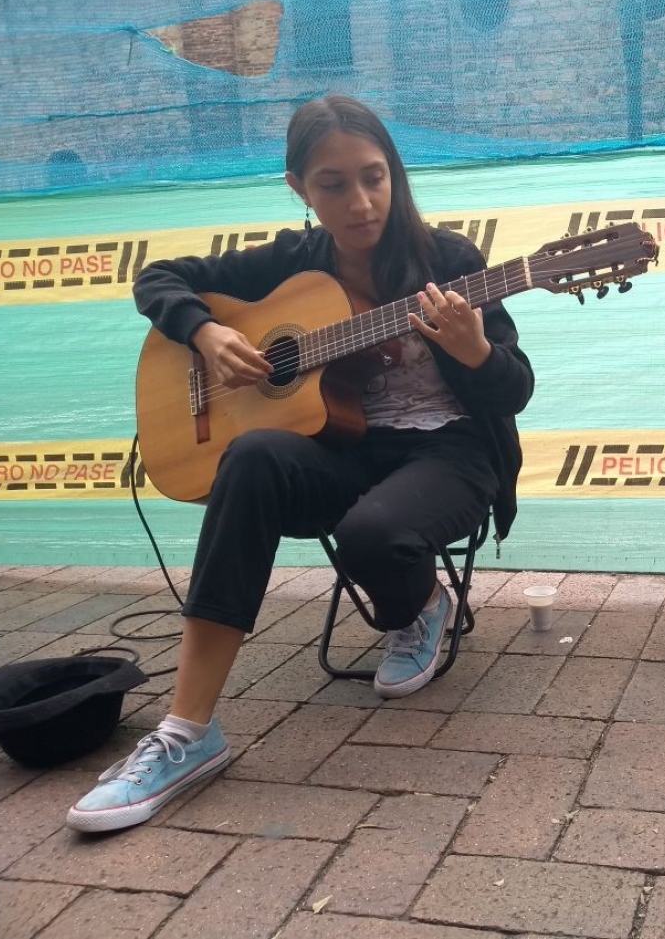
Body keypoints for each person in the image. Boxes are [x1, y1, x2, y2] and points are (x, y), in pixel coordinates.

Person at [66, 95, 534, 833]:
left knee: (374, 533)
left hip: (450, 450)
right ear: (299, 188)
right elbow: (158, 278)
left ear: (396, 173)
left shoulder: (451, 261)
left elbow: (517, 388)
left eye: (375, 177)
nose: (360, 201)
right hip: (345, 450)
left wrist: (475, 349)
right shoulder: (292, 263)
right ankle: (188, 733)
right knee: (250, 454)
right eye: (334, 184)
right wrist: (207, 334)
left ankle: (421, 607)